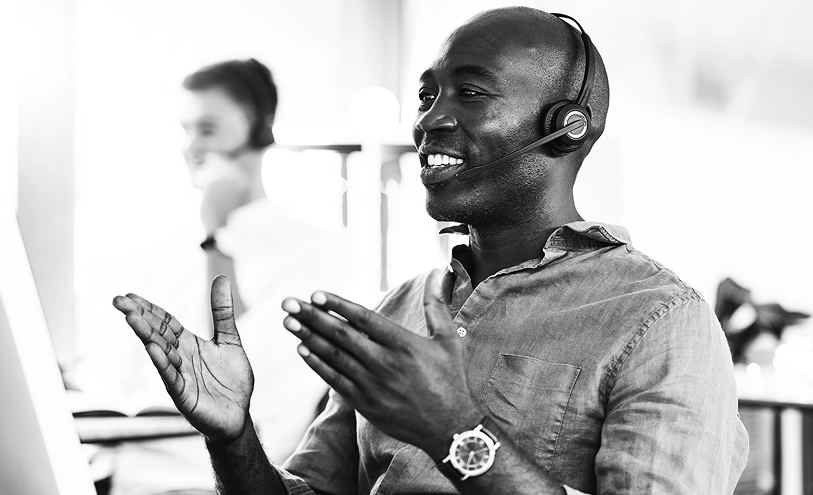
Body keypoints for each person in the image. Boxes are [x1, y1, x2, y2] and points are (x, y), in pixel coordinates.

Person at [113, 7, 749, 494]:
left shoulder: (661, 322)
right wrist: (232, 437)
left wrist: (456, 431)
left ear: (566, 126)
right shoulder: (402, 306)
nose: (428, 120)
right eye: (427, 95)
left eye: (470, 93)